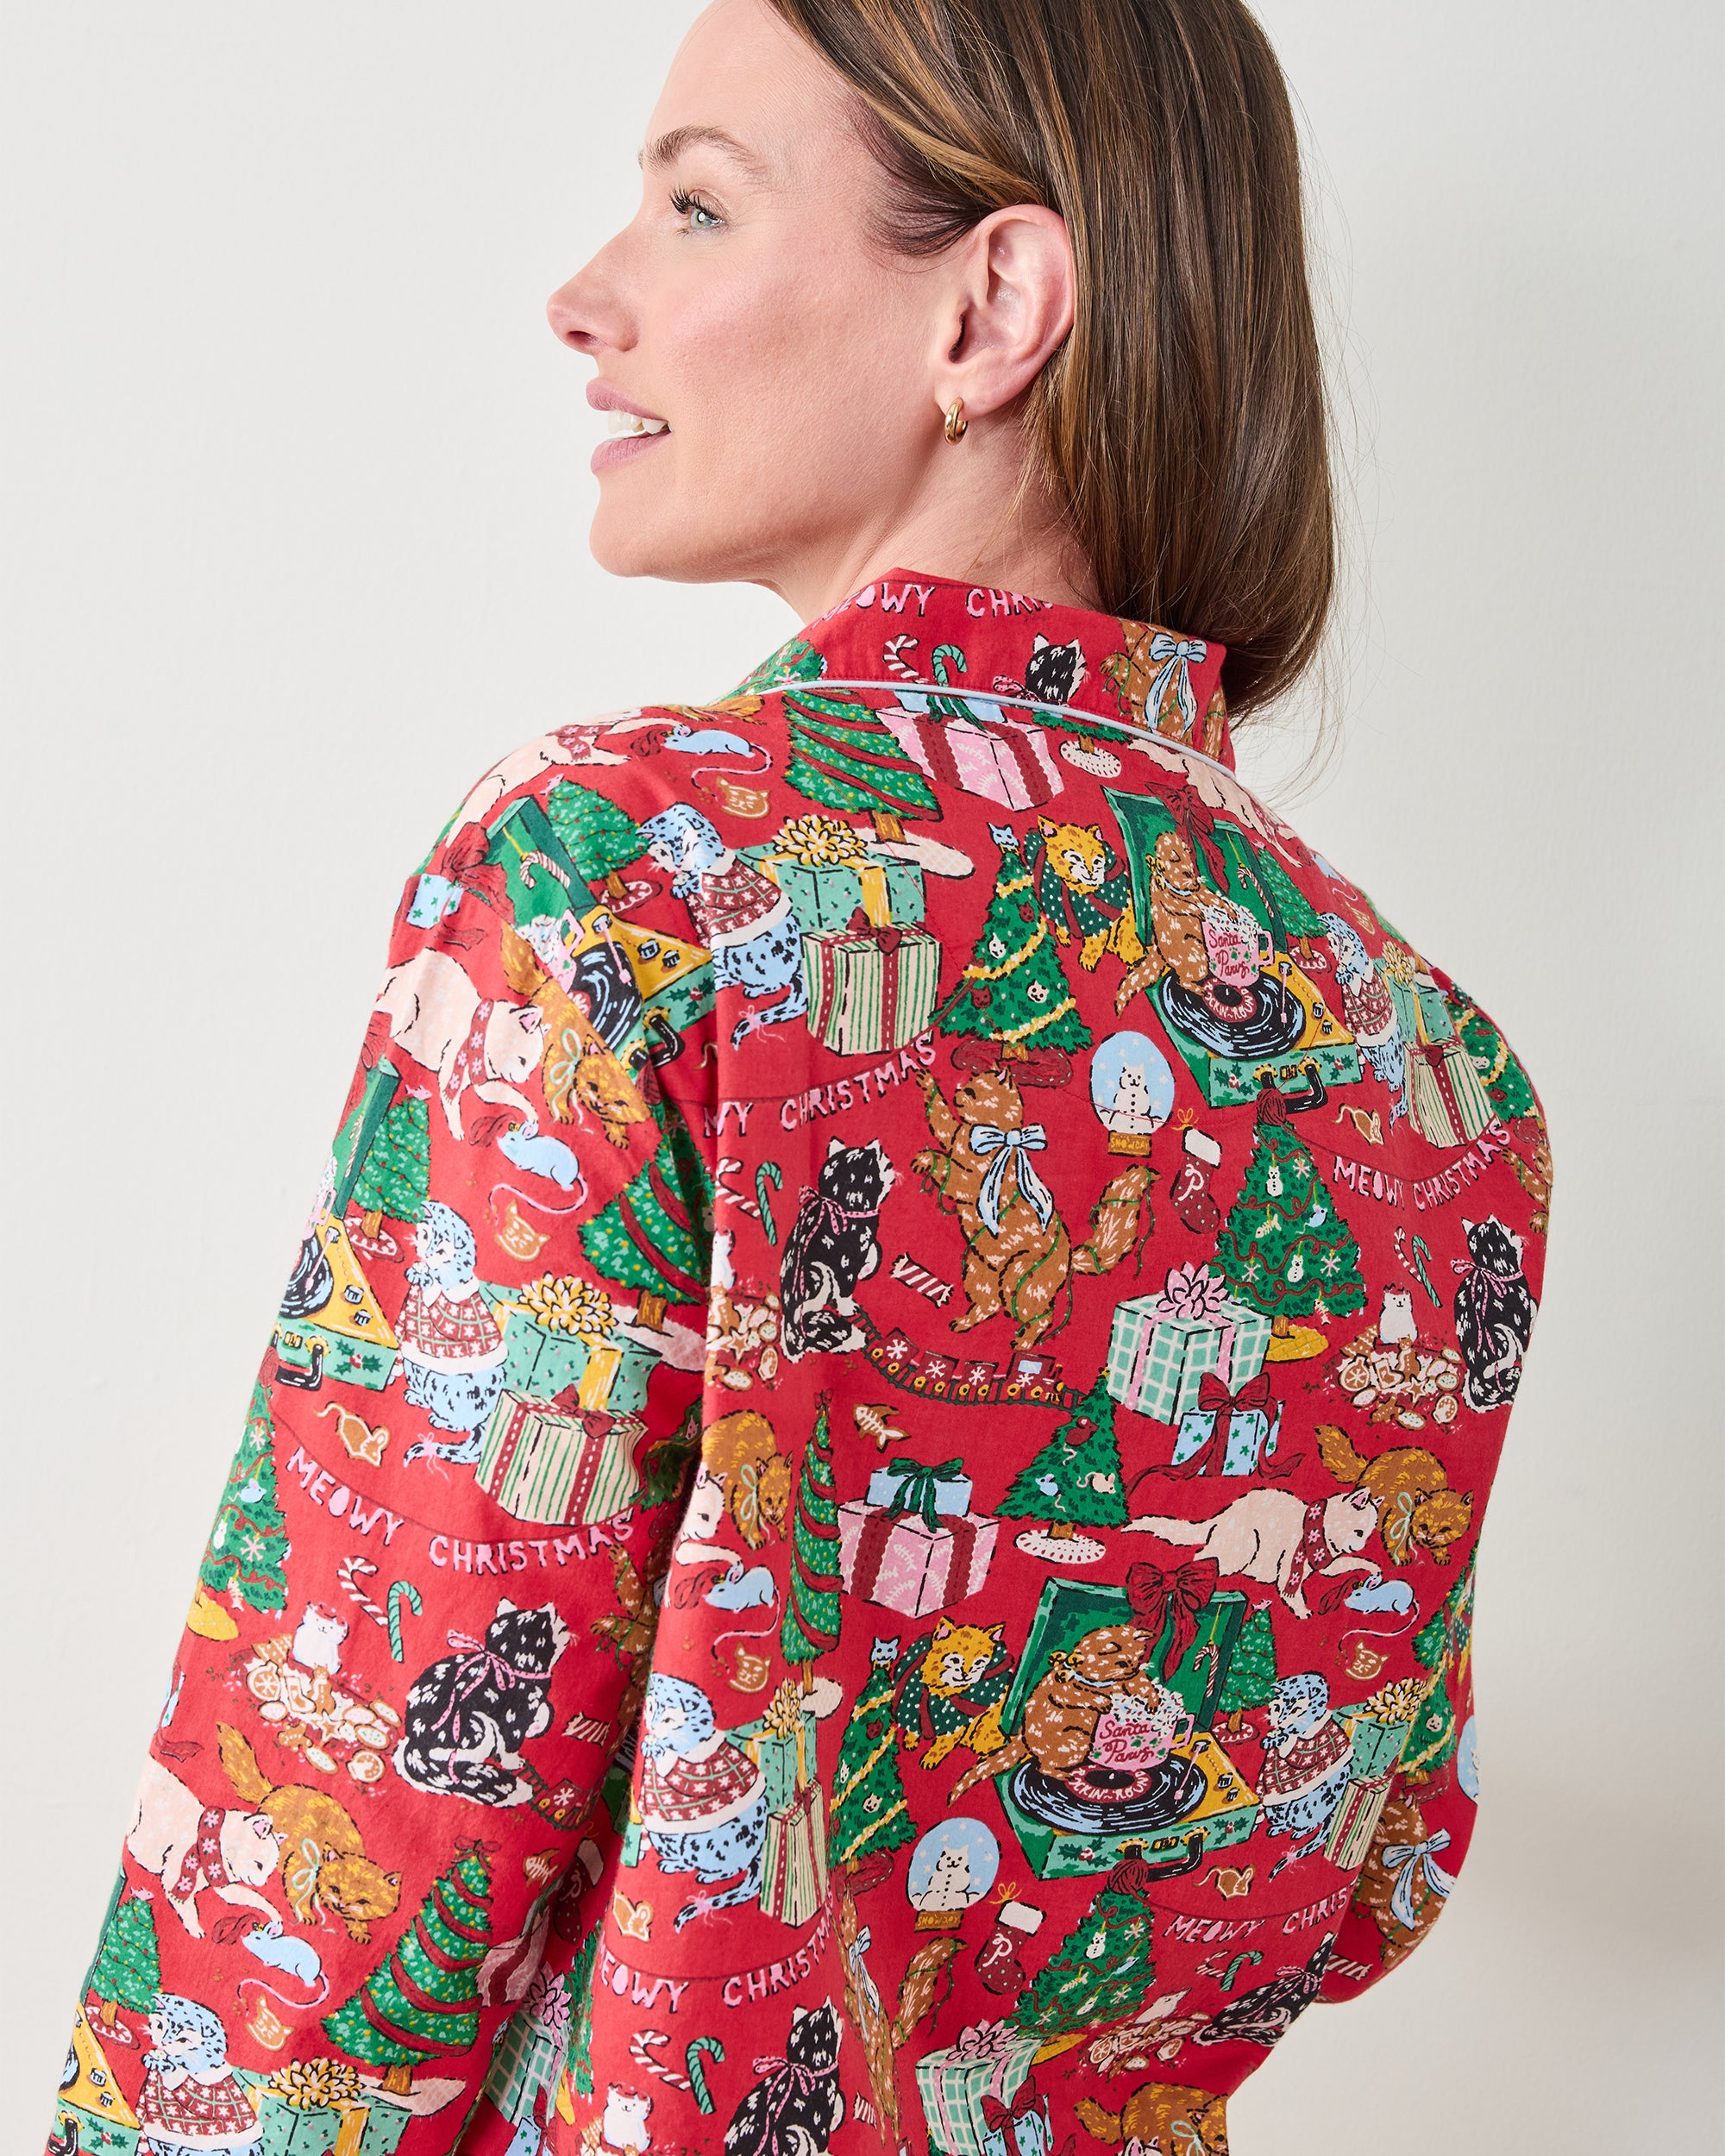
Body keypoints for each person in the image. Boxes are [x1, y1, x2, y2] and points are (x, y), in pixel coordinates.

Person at [47, 2, 1555, 2150]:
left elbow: (347, 1838)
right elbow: (1368, 1864)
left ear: (993, 307)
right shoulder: (1433, 1064)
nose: (586, 297)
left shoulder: (633, 879)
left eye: (695, 204)